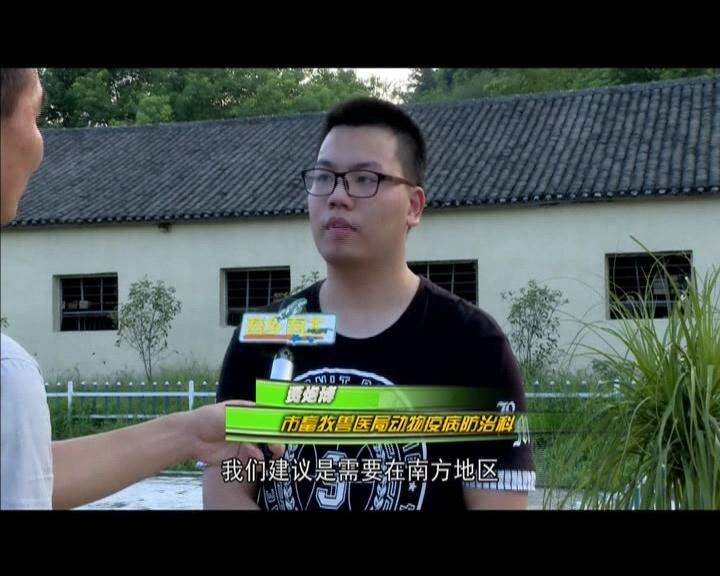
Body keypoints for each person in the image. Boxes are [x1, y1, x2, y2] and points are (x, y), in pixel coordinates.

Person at [203, 97, 535, 510]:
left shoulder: (472, 344)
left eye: (364, 179)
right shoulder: (263, 333)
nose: (337, 196)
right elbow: (226, 489)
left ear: (413, 206)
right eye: (324, 177)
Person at [0, 67, 274, 510]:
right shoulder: (7, 376)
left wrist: (188, 433)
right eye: (35, 115)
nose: (40, 144)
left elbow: (24, 473)